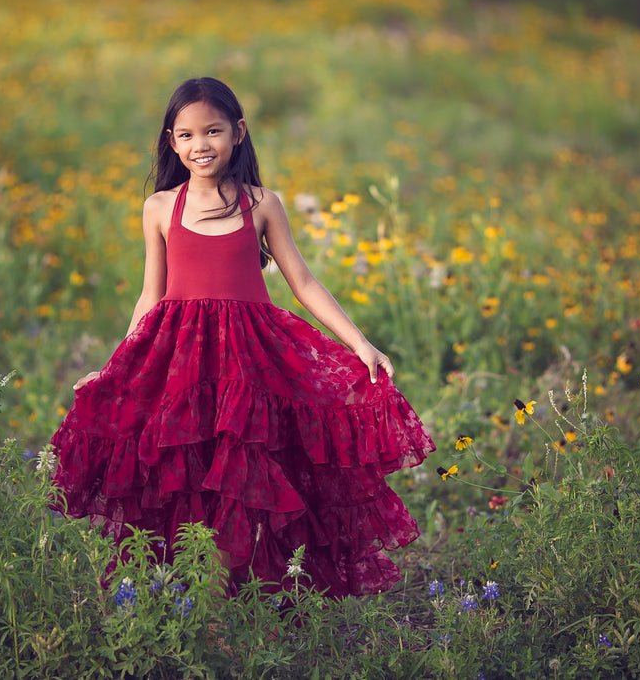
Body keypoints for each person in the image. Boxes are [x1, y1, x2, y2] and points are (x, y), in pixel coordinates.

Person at [49, 77, 435, 597]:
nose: (199, 145)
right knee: (190, 472)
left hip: (251, 356)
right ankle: (198, 595)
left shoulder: (262, 203)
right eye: (185, 135)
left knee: (251, 474)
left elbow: (301, 281)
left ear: (238, 133)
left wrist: (360, 343)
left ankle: (241, 593)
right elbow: (150, 295)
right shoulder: (160, 208)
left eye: (212, 131)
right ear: (171, 141)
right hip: (182, 358)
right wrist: (120, 365)